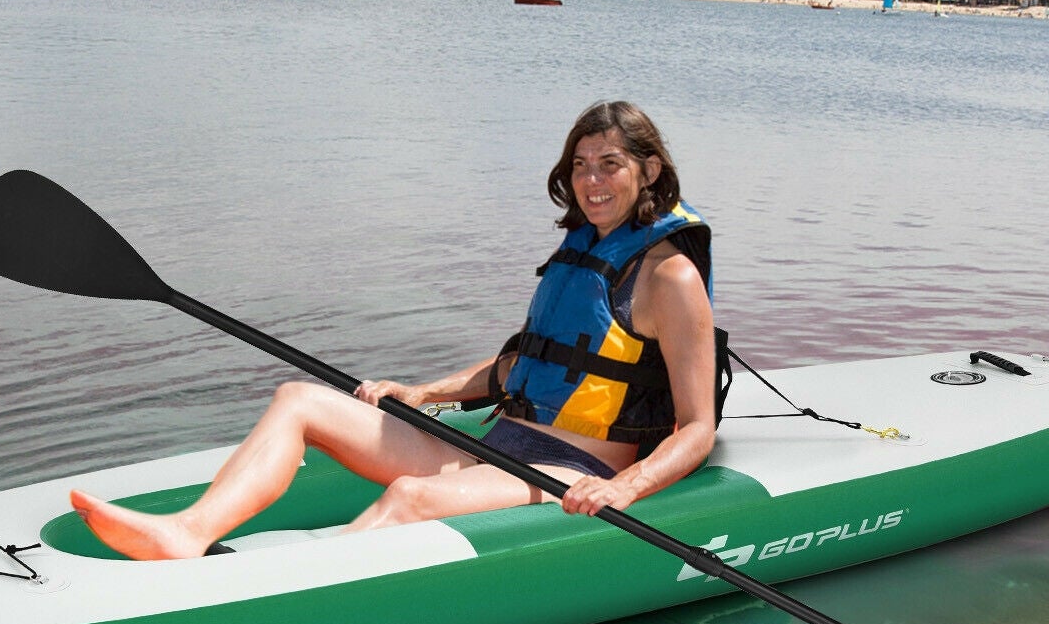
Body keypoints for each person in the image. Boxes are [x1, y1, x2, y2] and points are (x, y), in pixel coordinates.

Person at [71, 102, 717, 561]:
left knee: (411, 495)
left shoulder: (671, 279)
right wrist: (423, 392)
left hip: (569, 465)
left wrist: (622, 488)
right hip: (499, 441)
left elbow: (695, 426)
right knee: (299, 399)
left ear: (649, 171)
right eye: (581, 166)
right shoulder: (584, 251)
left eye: (610, 165)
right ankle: (188, 531)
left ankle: (285, 594)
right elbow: (521, 367)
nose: (592, 182)